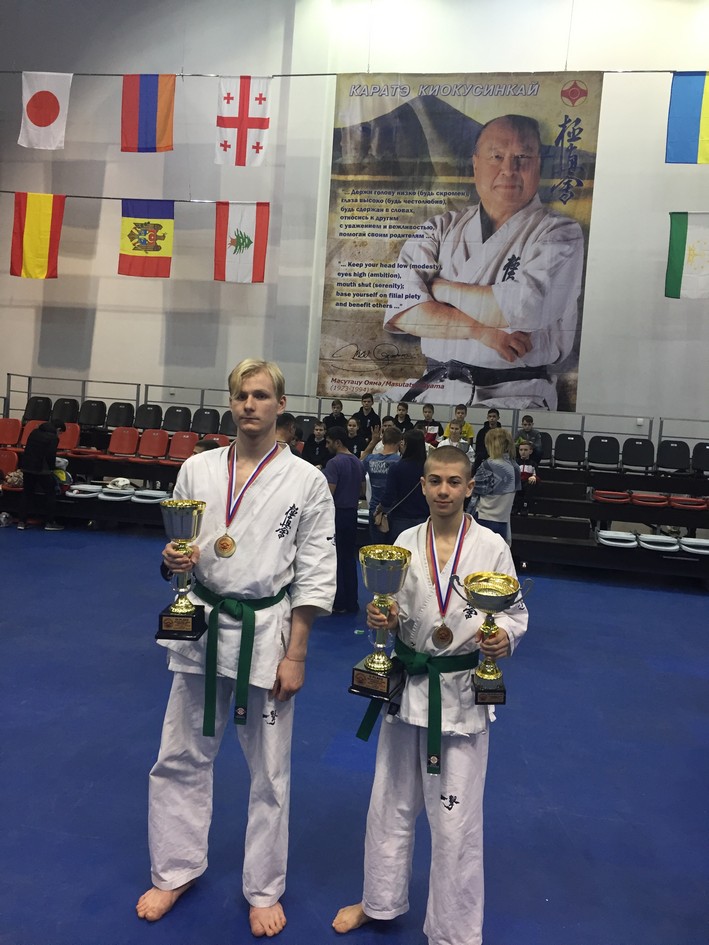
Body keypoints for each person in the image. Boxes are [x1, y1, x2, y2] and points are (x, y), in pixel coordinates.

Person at [136, 359, 336, 937]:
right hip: (200, 622)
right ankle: (175, 869)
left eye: (262, 395)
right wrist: (174, 560)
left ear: (280, 405)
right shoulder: (197, 468)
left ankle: (264, 887)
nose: (251, 404)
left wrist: (297, 654)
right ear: (231, 402)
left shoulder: (307, 481)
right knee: (179, 754)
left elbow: (315, 574)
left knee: (269, 771)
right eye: (242, 395)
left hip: (266, 631)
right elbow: (182, 550)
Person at [332, 446, 528, 945]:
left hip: (460, 694)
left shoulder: (491, 547)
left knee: (455, 820)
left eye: (453, 482)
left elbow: (513, 612)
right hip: (407, 688)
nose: (444, 490)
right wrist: (384, 617)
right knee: (390, 803)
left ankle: (454, 931)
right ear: (422, 486)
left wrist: (503, 638)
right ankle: (378, 901)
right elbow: (394, 608)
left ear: (469, 487)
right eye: (435, 481)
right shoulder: (403, 541)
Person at [383, 114, 584, 410]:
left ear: (539, 164)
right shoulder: (438, 228)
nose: (509, 169)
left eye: (522, 157)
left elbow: (526, 308)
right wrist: (482, 331)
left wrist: (442, 289)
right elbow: (406, 313)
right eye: (497, 156)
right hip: (437, 389)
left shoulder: (560, 233)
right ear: (476, 164)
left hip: (516, 394)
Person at [325, 426, 366, 613]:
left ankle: (339, 602)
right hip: (352, 514)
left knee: (336, 559)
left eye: (328, 442)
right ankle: (351, 601)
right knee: (349, 559)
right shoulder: (358, 462)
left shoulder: (334, 463)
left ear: (337, 442)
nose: (326, 446)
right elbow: (363, 491)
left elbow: (329, 493)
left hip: (337, 514)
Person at [378, 429, 429, 543]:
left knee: (399, 550)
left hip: (401, 518)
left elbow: (389, 495)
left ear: (406, 445)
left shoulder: (397, 468)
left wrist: (379, 509)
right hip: (424, 517)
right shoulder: (429, 468)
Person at [472, 427, 520, 543]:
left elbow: (472, 491)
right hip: (503, 522)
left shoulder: (487, 466)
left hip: (484, 520)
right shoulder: (515, 467)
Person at [17, 420, 66, 531]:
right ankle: (49, 522)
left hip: (27, 466)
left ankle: (22, 521)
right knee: (50, 493)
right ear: (58, 429)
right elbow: (50, 455)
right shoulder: (53, 438)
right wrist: (52, 468)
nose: (60, 435)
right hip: (41, 469)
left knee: (26, 493)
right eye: (61, 433)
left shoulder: (34, 432)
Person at [361, 426, 402, 543]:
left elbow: (359, 462)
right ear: (400, 442)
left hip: (375, 509)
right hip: (394, 509)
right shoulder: (399, 461)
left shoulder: (371, 459)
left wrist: (373, 442)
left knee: (376, 547)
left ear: (382, 441)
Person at [513, 440, 539, 515]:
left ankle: (525, 506)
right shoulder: (515, 463)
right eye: (521, 450)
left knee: (531, 484)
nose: (523, 452)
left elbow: (537, 476)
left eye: (525, 450)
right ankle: (515, 506)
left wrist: (534, 477)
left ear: (530, 451)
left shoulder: (533, 464)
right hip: (517, 484)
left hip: (527, 484)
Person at [473, 408, 500, 473]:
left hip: (497, 458)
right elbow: (478, 447)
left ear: (498, 418)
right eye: (490, 416)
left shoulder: (501, 433)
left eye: (494, 416)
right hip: (483, 459)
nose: (492, 418)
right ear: (487, 418)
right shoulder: (482, 432)